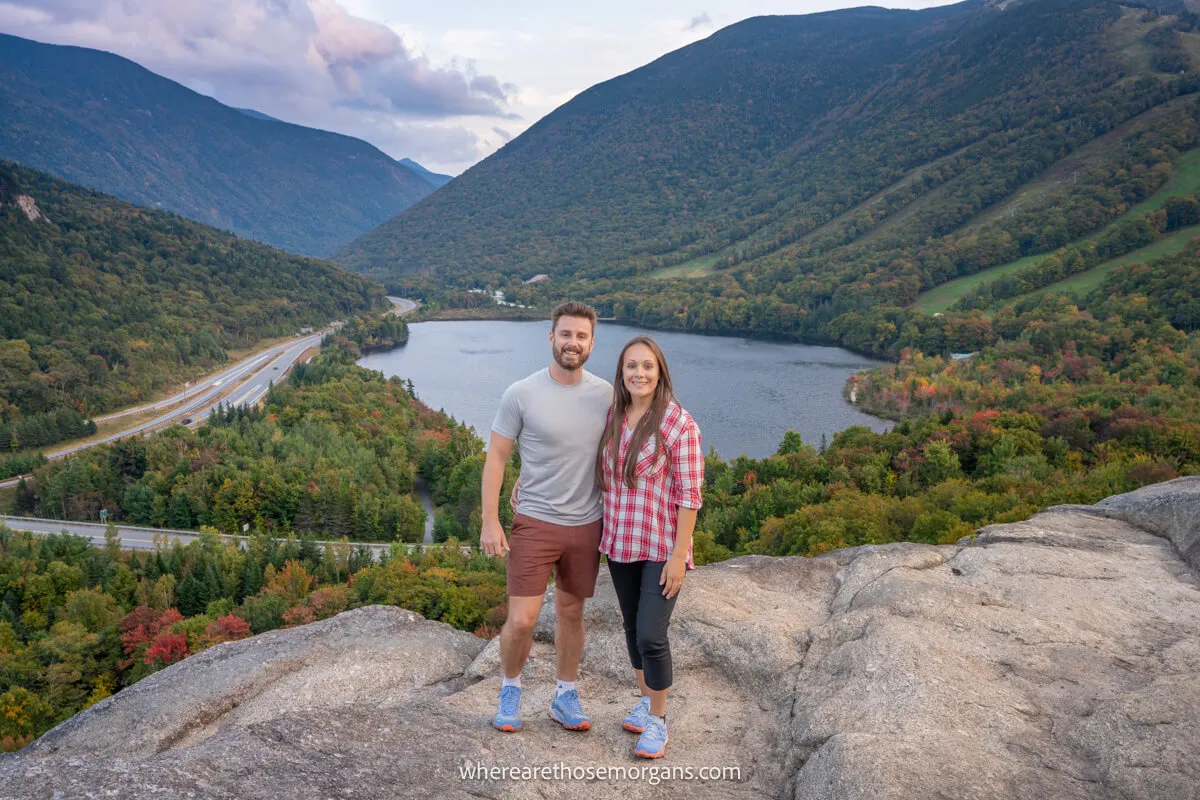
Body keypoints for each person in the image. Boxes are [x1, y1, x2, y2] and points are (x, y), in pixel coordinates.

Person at [480, 301, 613, 733]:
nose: (572, 342)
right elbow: (497, 458)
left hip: (586, 523)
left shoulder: (608, 395)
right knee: (521, 619)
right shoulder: (521, 393)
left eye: (581, 336)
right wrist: (490, 520)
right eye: (565, 334)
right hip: (535, 522)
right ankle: (511, 688)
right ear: (551, 337)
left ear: (592, 343)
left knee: (572, 614)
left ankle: (564, 695)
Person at [595, 335, 703, 759]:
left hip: (660, 544)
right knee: (629, 628)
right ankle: (645, 701)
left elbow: (690, 496)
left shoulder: (678, 424)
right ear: (621, 374)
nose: (639, 373)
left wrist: (679, 556)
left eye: (647, 366)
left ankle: (658, 721)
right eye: (630, 367)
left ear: (660, 372)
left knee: (651, 635)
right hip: (621, 540)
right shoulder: (615, 416)